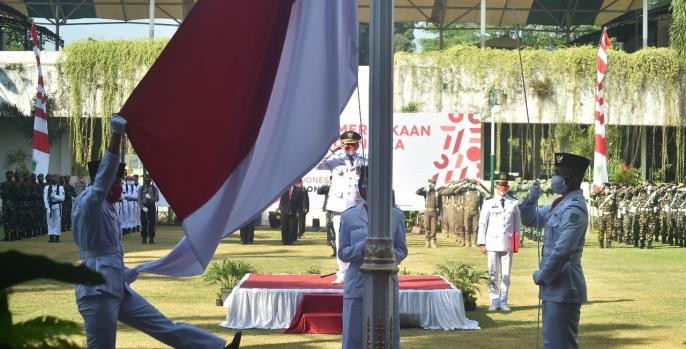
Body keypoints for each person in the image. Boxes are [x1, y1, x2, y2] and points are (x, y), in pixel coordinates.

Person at [72, 114, 241, 349]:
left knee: (162, 325)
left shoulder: (105, 206)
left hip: (116, 284)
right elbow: (102, 181)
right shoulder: (90, 201)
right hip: (97, 292)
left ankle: (216, 347)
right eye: (117, 181)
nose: (120, 185)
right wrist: (116, 136)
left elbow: (110, 250)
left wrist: (124, 272)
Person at [519, 152, 590, 349]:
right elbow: (531, 220)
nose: (554, 178)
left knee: (561, 345)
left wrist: (543, 275)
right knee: (552, 344)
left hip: (564, 286)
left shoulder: (574, 210)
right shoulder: (559, 204)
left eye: (559, 173)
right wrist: (531, 201)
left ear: (573, 179)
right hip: (553, 287)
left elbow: (563, 251)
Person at [338, 166, 407, 349]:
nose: (368, 188)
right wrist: (362, 249)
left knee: (387, 335)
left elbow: (402, 249)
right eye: (365, 184)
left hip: (386, 282)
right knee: (353, 337)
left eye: (372, 184)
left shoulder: (395, 215)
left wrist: (387, 256)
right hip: (357, 283)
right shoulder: (348, 217)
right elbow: (343, 252)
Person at [316, 131, 367, 284]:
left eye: (353, 144)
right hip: (339, 205)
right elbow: (317, 164)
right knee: (341, 240)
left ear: (358, 144)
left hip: (358, 205)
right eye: (347, 144)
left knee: (359, 238)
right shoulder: (335, 160)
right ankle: (343, 272)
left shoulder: (364, 161)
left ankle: (359, 270)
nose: (350, 147)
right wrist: (334, 149)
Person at [477, 173, 520, 312]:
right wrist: (482, 242)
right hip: (492, 242)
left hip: (507, 243)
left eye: (505, 185)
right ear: (496, 185)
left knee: (506, 273)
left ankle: (503, 301)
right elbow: (482, 223)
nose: (503, 187)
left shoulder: (514, 202)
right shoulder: (489, 202)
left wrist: (515, 242)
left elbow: (516, 224)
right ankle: (494, 300)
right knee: (493, 273)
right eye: (500, 184)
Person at [416, 178, 440, 248]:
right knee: (427, 227)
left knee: (434, 228)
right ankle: (427, 242)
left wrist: (439, 215)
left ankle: (433, 242)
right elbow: (417, 192)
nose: (432, 185)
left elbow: (440, 204)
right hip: (427, 212)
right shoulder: (426, 192)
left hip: (434, 212)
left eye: (433, 184)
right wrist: (425, 186)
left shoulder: (436, 193)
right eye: (430, 184)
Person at [137, 174, 159, 244]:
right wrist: (142, 207)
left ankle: (151, 238)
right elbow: (139, 199)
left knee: (152, 223)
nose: (148, 180)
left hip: (151, 206)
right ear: (144, 179)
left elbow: (157, 198)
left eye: (149, 178)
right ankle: (144, 238)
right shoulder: (141, 188)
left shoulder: (154, 188)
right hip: (144, 206)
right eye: (146, 178)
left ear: (151, 179)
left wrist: (151, 198)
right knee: (144, 223)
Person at [44, 173, 65, 243]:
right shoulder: (47, 187)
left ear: (58, 180)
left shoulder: (61, 188)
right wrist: (47, 207)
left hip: (57, 206)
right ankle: (51, 236)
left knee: (57, 221)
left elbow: (62, 198)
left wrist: (54, 196)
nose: (54, 180)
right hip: (49, 205)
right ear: (51, 180)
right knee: (49, 222)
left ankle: (57, 236)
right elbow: (45, 198)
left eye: (56, 179)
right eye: (53, 179)